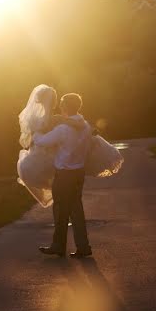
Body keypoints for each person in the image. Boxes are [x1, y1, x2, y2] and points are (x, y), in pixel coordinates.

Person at [32, 93, 93, 258]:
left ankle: (58, 246)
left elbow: (41, 141)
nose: (60, 106)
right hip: (79, 173)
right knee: (77, 210)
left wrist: (35, 131)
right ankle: (83, 246)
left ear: (65, 107)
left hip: (64, 174)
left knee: (60, 210)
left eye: (61, 104)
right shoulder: (85, 126)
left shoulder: (63, 129)